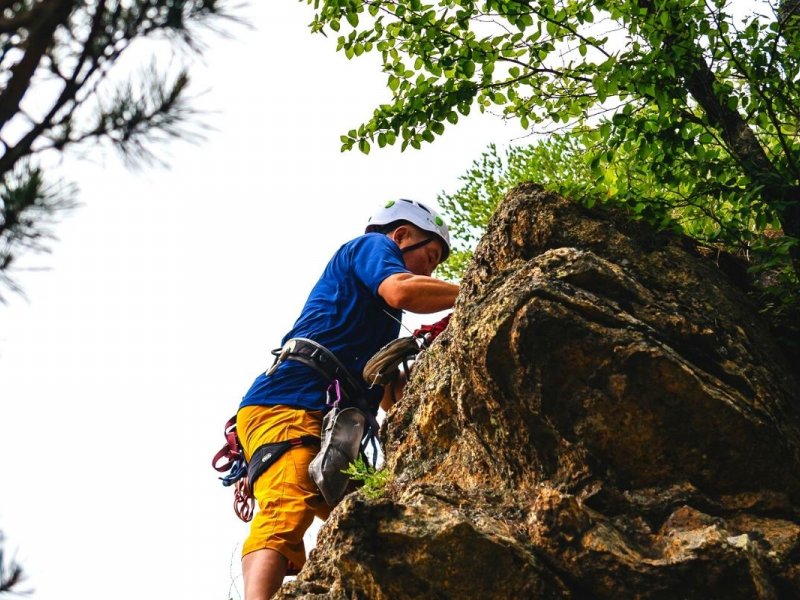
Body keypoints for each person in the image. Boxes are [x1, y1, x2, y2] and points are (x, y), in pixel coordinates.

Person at [236, 199, 460, 599]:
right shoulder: (370, 248)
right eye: (429, 256)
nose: (431, 271)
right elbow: (401, 290)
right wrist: (475, 291)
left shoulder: (379, 322)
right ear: (401, 235)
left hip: (321, 415)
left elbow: (394, 399)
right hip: (290, 402)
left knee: (369, 521)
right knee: (288, 502)